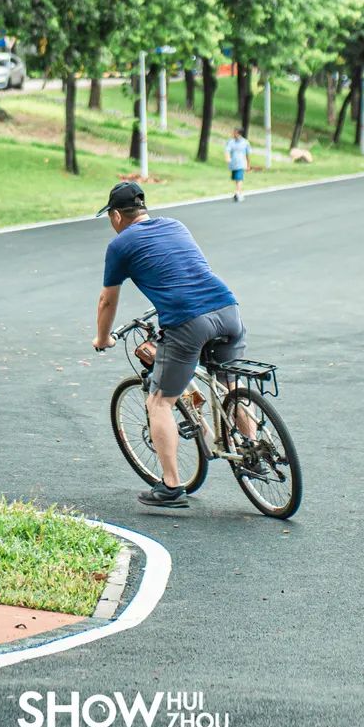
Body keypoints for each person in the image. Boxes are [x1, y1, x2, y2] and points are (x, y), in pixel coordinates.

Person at [92, 182, 247, 509]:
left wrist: (103, 337)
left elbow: (108, 301)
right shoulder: (176, 225)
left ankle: (172, 486)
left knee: (160, 402)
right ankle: (254, 450)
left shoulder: (120, 245)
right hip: (227, 308)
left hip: (188, 321)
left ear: (116, 215)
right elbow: (188, 269)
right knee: (230, 388)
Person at [225, 127, 251, 202]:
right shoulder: (231, 142)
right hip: (233, 164)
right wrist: (227, 158)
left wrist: (248, 165)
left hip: (241, 163)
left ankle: (237, 193)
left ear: (239, 134)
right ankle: (239, 192)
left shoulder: (245, 142)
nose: (233, 134)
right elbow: (227, 151)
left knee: (239, 178)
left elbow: (248, 154)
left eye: (235, 132)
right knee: (236, 179)